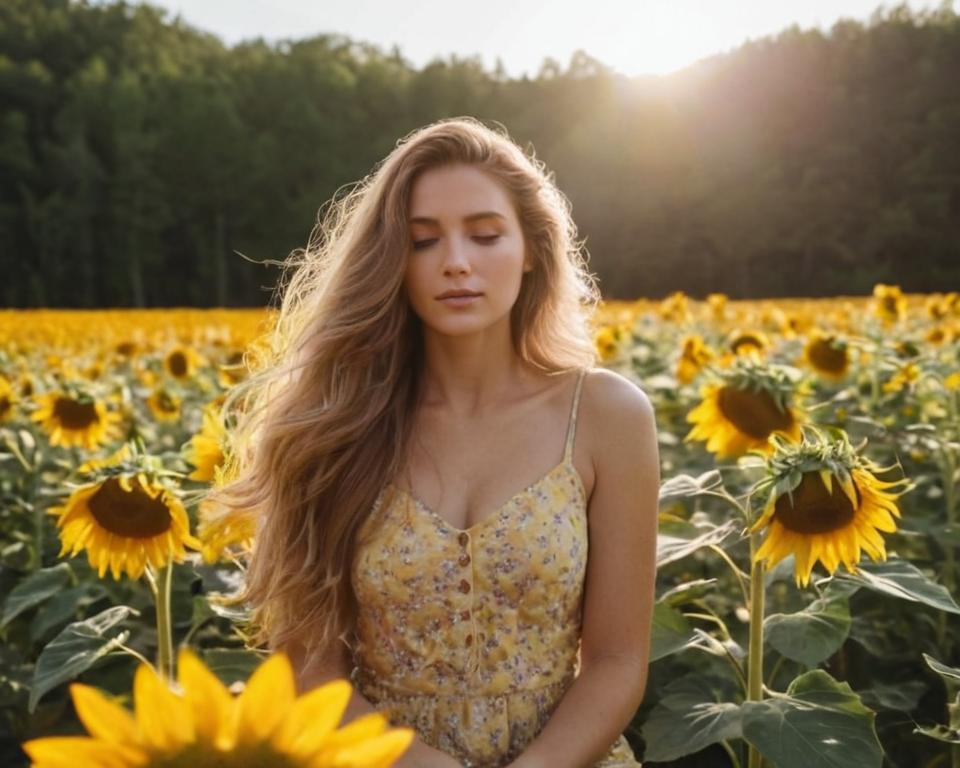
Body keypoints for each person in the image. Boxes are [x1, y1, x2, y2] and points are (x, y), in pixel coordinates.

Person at [207, 117, 660, 768]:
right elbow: (309, 668)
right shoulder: (332, 425)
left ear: (531, 248)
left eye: (484, 235)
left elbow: (617, 662)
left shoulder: (607, 416)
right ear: (392, 259)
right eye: (423, 241)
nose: (456, 262)